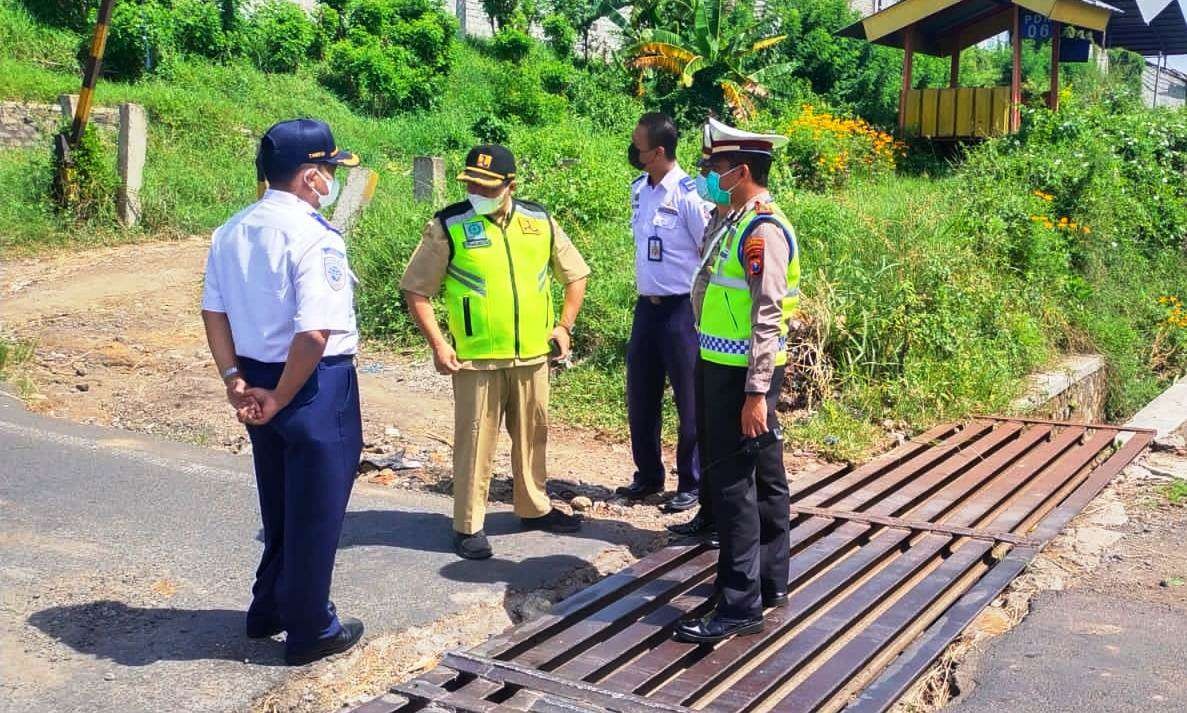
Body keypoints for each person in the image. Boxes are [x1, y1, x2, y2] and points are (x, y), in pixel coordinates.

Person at [201, 118, 365, 665]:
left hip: (254, 376)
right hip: (313, 383)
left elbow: (214, 311)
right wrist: (284, 395)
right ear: (310, 177)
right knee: (316, 509)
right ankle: (310, 627)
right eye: (330, 172)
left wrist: (235, 381)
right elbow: (314, 332)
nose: (332, 182)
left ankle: (269, 605)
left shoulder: (233, 230)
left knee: (280, 502)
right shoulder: (314, 236)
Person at [401, 144, 591, 560]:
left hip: (532, 355)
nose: (476, 191)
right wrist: (438, 343)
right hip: (476, 359)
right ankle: (468, 525)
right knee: (474, 441)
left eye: (486, 186)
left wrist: (564, 326)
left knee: (532, 435)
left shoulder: (539, 222)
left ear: (510, 186)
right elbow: (416, 289)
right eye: (470, 183)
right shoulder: (449, 225)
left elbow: (575, 275)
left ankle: (534, 506)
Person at [673, 118, 799, 644]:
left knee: (731, 489)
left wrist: (754, 393)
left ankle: (738, 602)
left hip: (740, 378)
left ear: (740, 172)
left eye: (715, 169)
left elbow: (766, 315)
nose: (706, 176)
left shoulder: (761, 231)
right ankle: (770, 584)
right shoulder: (735, 220)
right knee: (765, 479)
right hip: (729, 370)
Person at [617, 113, 712, 512]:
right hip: (647, 308)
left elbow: (707, 253)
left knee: (689, 399)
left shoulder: (690, 195)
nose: (633, 152)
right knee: (641, 394)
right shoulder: (640, 189)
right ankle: (648, 475)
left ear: (658, 151)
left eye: (638, 146)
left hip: (680, 312)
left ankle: (690, 482)